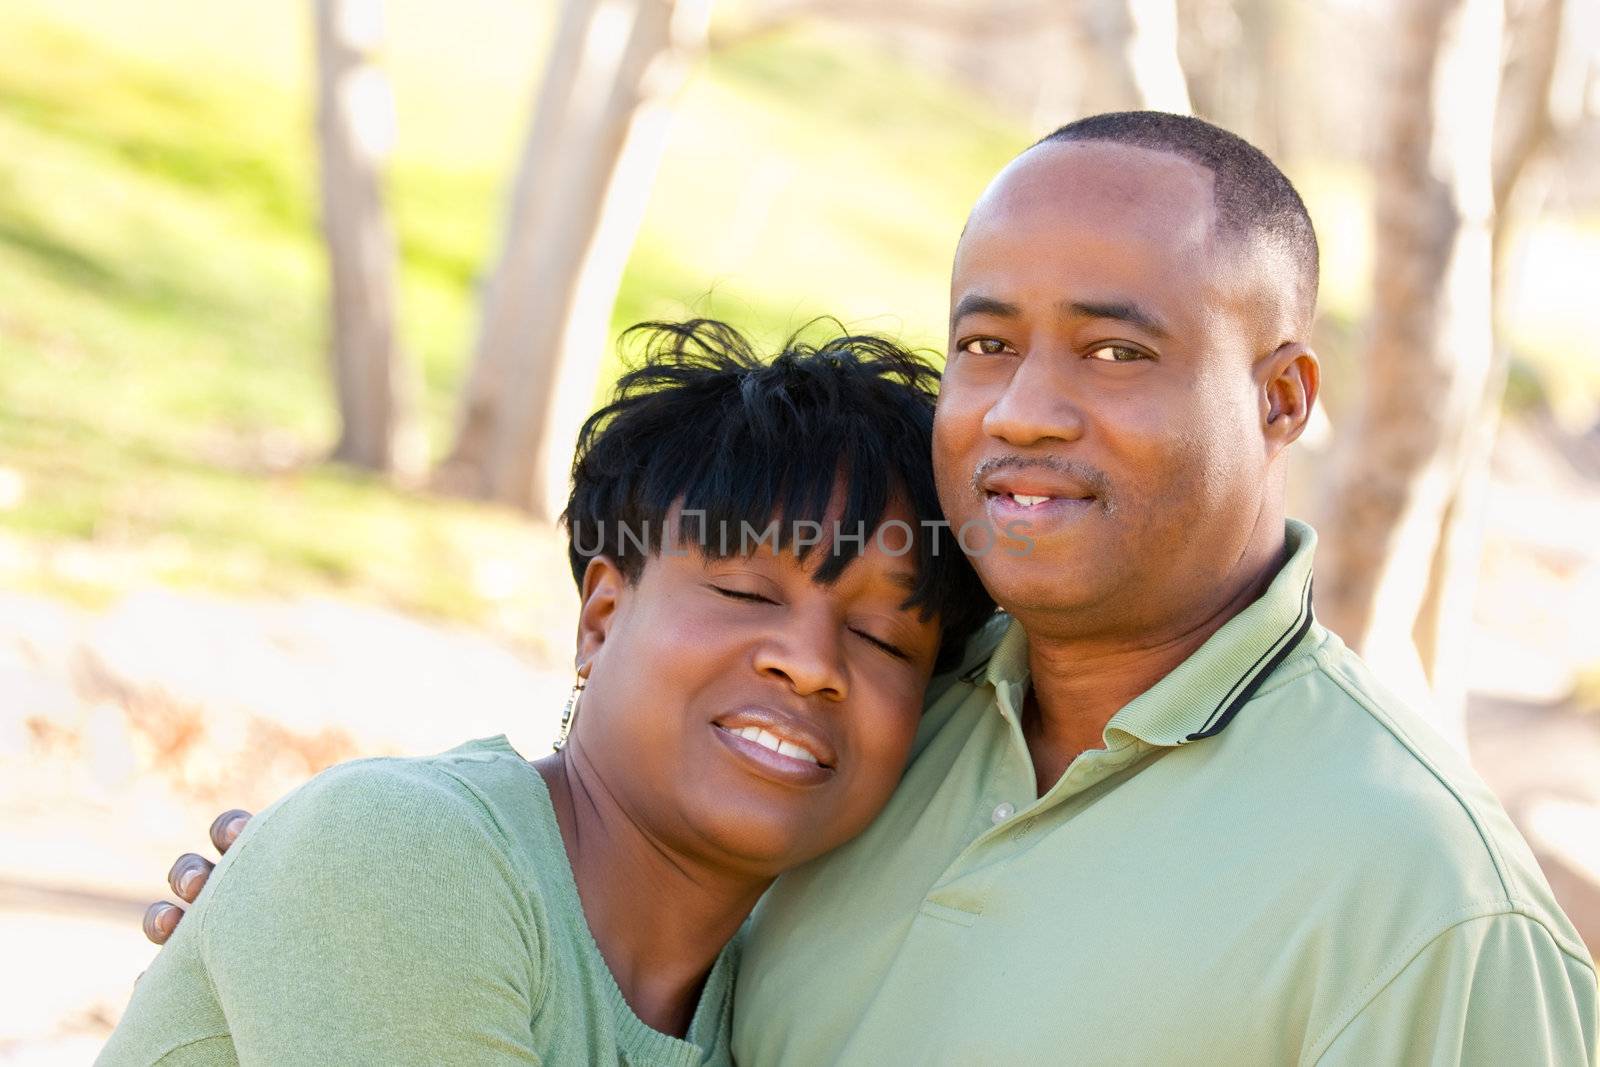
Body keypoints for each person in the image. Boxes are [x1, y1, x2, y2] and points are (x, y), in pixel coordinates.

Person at [139, 113, 1600, 1064]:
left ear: (1283, 396)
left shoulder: (1429, 905)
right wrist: (339, 892)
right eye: (985, 342)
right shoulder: (916, 720)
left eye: (1114, 349)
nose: (1025, 406)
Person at [97, 319, 994, 1065]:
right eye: (745, 592)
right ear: (600, 619)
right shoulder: (405, 852)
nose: (811, 664)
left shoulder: (782, 1009)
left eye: (882, 638)